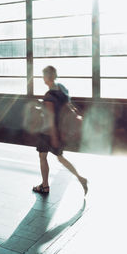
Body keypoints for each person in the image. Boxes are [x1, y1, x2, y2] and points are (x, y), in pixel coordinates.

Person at [32, 66, 88, 195]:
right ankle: (79, 178)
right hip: (60, 129)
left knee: (43, 157)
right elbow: (67, 107)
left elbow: (50, 118)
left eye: (43, 76)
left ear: (46, 77)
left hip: (48, 131)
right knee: (58, 157)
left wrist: (54, 137)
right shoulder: (62, 89)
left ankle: (45, 186)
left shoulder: (49, 96)